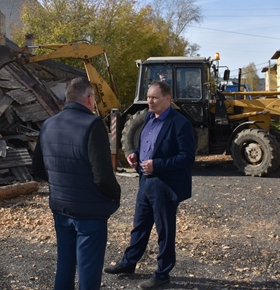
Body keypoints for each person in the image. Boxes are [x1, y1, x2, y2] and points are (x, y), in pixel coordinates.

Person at [32, 77, 121, 290]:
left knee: (64, 264)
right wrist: (114, 195)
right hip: (89, 212)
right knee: (88, 271)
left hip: (61, 208)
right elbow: (102, 175)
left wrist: (60, 184)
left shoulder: (48, 124)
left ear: (67, 98)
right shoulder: (92, 124)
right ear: (89, 98)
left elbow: (37, 169)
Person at [104, 80, 195, 289]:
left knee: (164, 230)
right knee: (139, 226)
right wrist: (135, 155)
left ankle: (163, 273)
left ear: (167, 99)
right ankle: (128, 263)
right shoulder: (147, 118)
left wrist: (158, 165)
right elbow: (144, 144)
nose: (149, 101)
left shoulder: (179, 123)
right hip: (145, 181)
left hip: (165, 183)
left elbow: (187, 157)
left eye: (154, 97)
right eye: (148, 97)